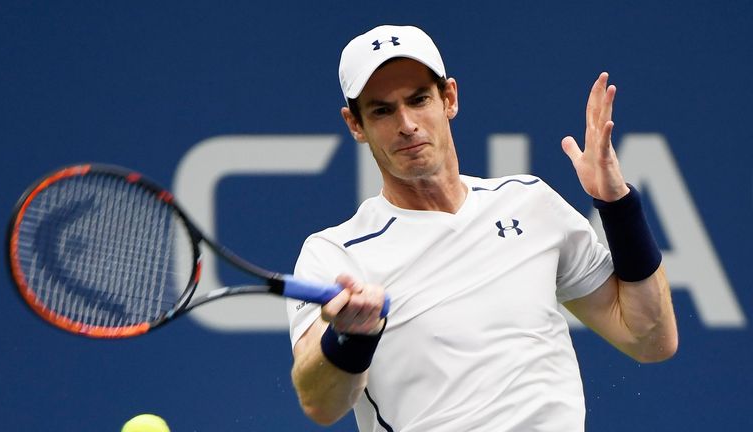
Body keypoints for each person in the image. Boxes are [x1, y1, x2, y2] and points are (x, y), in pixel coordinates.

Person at [286, 24, 678, 432]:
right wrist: (350, 338)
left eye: (419, 100)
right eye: (382, 110)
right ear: (355, 124)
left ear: (448, 98)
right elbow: (319, 403)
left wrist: (618, 206)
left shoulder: (530, 202)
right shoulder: (334, 253)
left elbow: (650, 338)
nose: (406, 124)